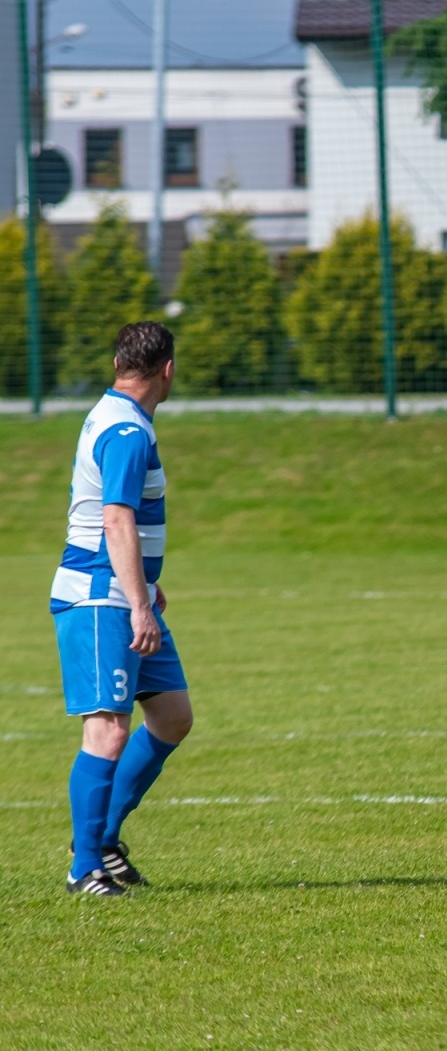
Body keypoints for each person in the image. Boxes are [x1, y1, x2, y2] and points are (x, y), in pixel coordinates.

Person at [52, 322, 194, 896]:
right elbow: (115, 518)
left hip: (125, 591)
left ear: (117, 364)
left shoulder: (112, 414)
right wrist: (138, 603)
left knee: (172, 717)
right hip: (99, 596)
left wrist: (144, 586)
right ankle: (83, 867)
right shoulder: (128, 432)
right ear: (168, 370)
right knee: (108, 730)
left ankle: (104, 840)